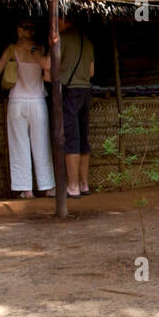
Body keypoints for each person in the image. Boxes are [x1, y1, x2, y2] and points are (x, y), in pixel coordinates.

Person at [0, 18, 54, 198]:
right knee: (42, 144)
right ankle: (48, 186)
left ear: (19, 30)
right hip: (38, 103)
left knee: (19, 145)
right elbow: (46, 67)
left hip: (17, 102)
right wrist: (32, 49)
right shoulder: (39, 49)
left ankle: (26, 189)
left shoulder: (12, 49)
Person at [58, 17, 95, 197]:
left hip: (70, 91)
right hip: (86, 91)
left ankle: (72, 186)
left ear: (64, 19)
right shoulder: (87, 41)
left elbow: (52, 67)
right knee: (83, 137)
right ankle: (84, 184)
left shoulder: (62, 39)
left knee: (71, 137)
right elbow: (91, 72)